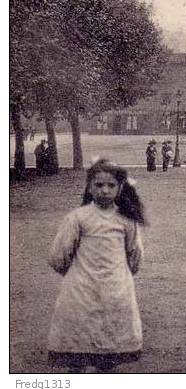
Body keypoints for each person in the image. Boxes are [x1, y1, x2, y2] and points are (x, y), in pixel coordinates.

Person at [47, 159, 145, 373]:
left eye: (111, 186)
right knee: (79, 347)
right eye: (99, 185)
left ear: (120, 188)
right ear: (89, 187)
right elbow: (58, 256)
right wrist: (76, 275)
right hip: (80, 291)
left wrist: (121, 277)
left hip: (115, 291)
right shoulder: (77, 218)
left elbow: (135, 256)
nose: (105, 191)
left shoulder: (127, 220)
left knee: (109, 350)